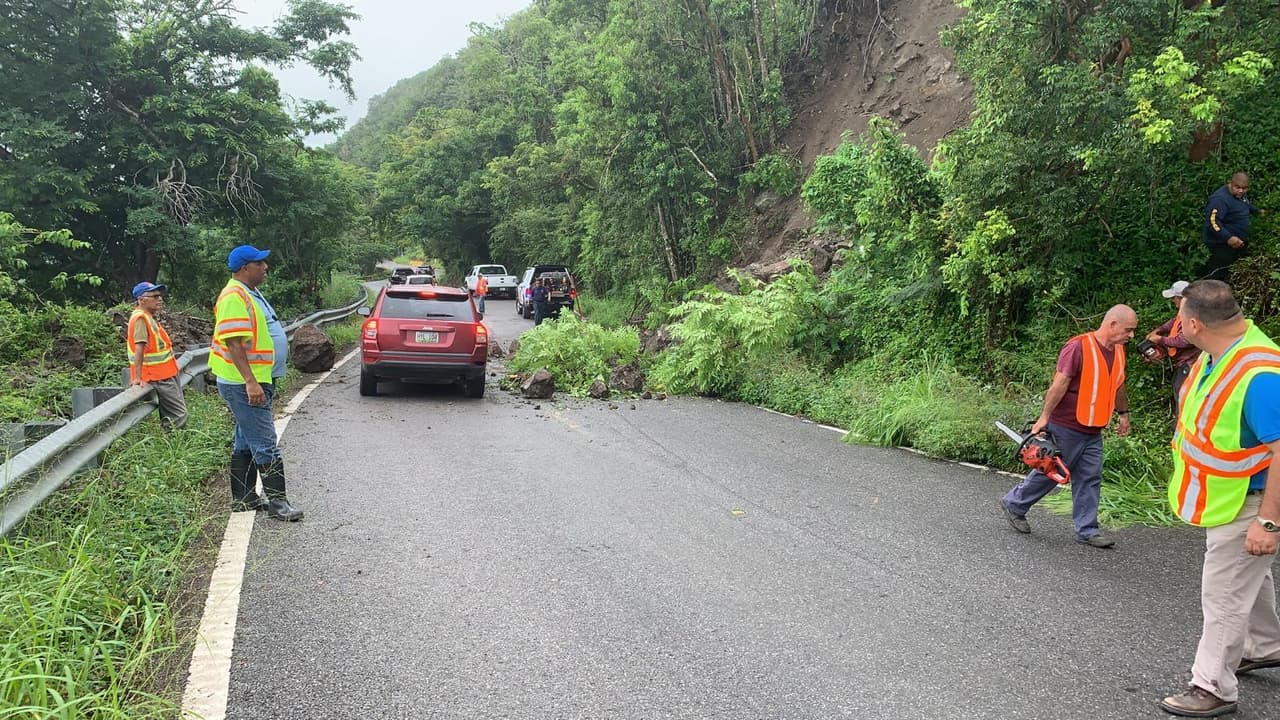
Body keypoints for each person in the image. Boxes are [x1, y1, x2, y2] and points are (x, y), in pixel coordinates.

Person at [1158, 280, 1280, 718]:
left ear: (1193, 323)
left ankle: (1212, 687)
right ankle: (1264, 646)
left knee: (1224, 594)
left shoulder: (1260, 375)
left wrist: (1268, 523)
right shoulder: (1221, 352)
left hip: (1251, 500)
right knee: (1248, 574)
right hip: (1228, 495)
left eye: (1179, 317)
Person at [998, 305, 1136, 548]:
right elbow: (1059, 384)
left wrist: (1123, 413)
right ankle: (1014, 503)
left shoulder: (1119, 352)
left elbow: (1118, 385)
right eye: (1128, 330)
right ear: (1112, 324)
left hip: (1094, 430)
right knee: (1052, 473)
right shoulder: (1078, 347)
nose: (1131, 336)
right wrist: (1044, 418)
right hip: (1066, 426)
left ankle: (1087, 530)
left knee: (1090, 478)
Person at [210, 245, 303, 521]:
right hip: (243, 383)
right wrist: (250, 381)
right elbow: (234, 342)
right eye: (259, 263)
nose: (266, 267)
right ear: (244, 268)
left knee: (245, 439)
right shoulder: (233, 296)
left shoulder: (250, 292)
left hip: (256, 379)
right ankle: (278, 503)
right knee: (264, 441)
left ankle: (244, 498)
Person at [126, 281, 188, 430]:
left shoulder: (148, 317)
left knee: (174, 415)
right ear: (141, 300)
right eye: (154, 296)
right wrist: (137, 378)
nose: (159, 299)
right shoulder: (141, 318)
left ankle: (173, 445)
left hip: (165, 374)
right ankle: (174, 446)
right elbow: (139, 348)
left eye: (160, 296)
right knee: (179, 415)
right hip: (157, 377)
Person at [1144, 280, 1202, 417]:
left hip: (1189, 365)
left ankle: (1183, 430)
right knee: (1179, 395)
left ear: (1181, 298)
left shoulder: (1193, 316)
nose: (1173, 302)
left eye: (1174, 298)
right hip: (1182, 365)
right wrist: (1158, 330)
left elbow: (1185, 340)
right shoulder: (1184, 314)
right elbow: (1173, 324)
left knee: (1184, 399)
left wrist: (1160, 339)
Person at [1202, 172, 1261, 282]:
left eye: (1244, 188)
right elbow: (1212, 222)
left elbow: (1245, 204)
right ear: (1230, 183)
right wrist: (1228, 237)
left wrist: (1258, 212)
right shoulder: (1219, 199)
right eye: (1237, 187)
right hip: (1221, 244)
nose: (1241, 191)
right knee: (1217, 276)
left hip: (1238, 243)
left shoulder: (1239, 195)